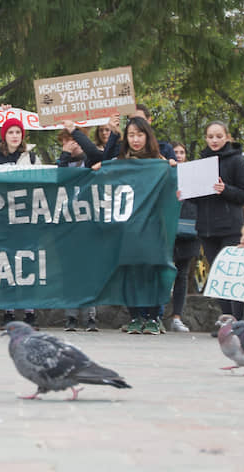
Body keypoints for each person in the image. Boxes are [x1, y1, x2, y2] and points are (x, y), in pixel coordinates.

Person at [100, 117, 176, 335]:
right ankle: (134, 317)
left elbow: (172, 190)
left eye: (139, 135)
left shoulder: (159, 160)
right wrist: (101, 164)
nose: (135, 139)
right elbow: (104, 169)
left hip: (153, 225)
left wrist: (172, 170)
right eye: (131, 135)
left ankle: (153, 318)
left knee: (152, 270)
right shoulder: (121, 161)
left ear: (147, 136)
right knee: (129, 271)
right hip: (127, 226)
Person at [188, 121, 244, 325]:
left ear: (227, 137)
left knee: (231, 273)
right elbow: (198, 196)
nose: (214, 140)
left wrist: (225, 189)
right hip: (207, 229)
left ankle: (238, 320)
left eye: (218, 136)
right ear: (205, 138)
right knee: (218, 275)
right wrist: (185, 194)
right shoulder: (201, 162)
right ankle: (226, 319)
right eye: (210, 137)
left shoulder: (236, 161)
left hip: (230, 228)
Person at [0, 117, 41, 329]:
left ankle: (30, 311)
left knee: (27, 262)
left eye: (18, 132)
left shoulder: (32, 157)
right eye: (11, 132)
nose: (15, 135)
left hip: (26, 217)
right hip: (2, 217)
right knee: (5, 263)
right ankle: (9, 311)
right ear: (4, 135)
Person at [56, 124, 98, 332]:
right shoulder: (63, 164)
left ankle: (91, 316)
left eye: (76, 141)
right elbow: (59, 180)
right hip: (68, 224)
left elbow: (94, 154)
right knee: (70, 272)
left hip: (89, 222)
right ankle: (71, 316)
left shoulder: (90, 162)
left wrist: (78, 135)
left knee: (90, 270)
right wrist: (64, 155)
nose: (72, 145)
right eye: (67, 141)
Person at [169, 142, 200, 332]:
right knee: (164, 273)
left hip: (189, 231)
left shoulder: (194, 176)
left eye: (182, 152)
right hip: (168, 231)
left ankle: (177, 316)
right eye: (175, 152)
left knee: (182, 274)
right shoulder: (165, 174)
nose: (179, 155)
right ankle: (156, 314)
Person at [102, 104, 177, 162]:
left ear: (149, 120)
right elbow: (105, 163)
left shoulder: (164, 149)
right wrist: (115, 132)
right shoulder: (121, 151)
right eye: (132, 120)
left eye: (140, 120)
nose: (135, 140)